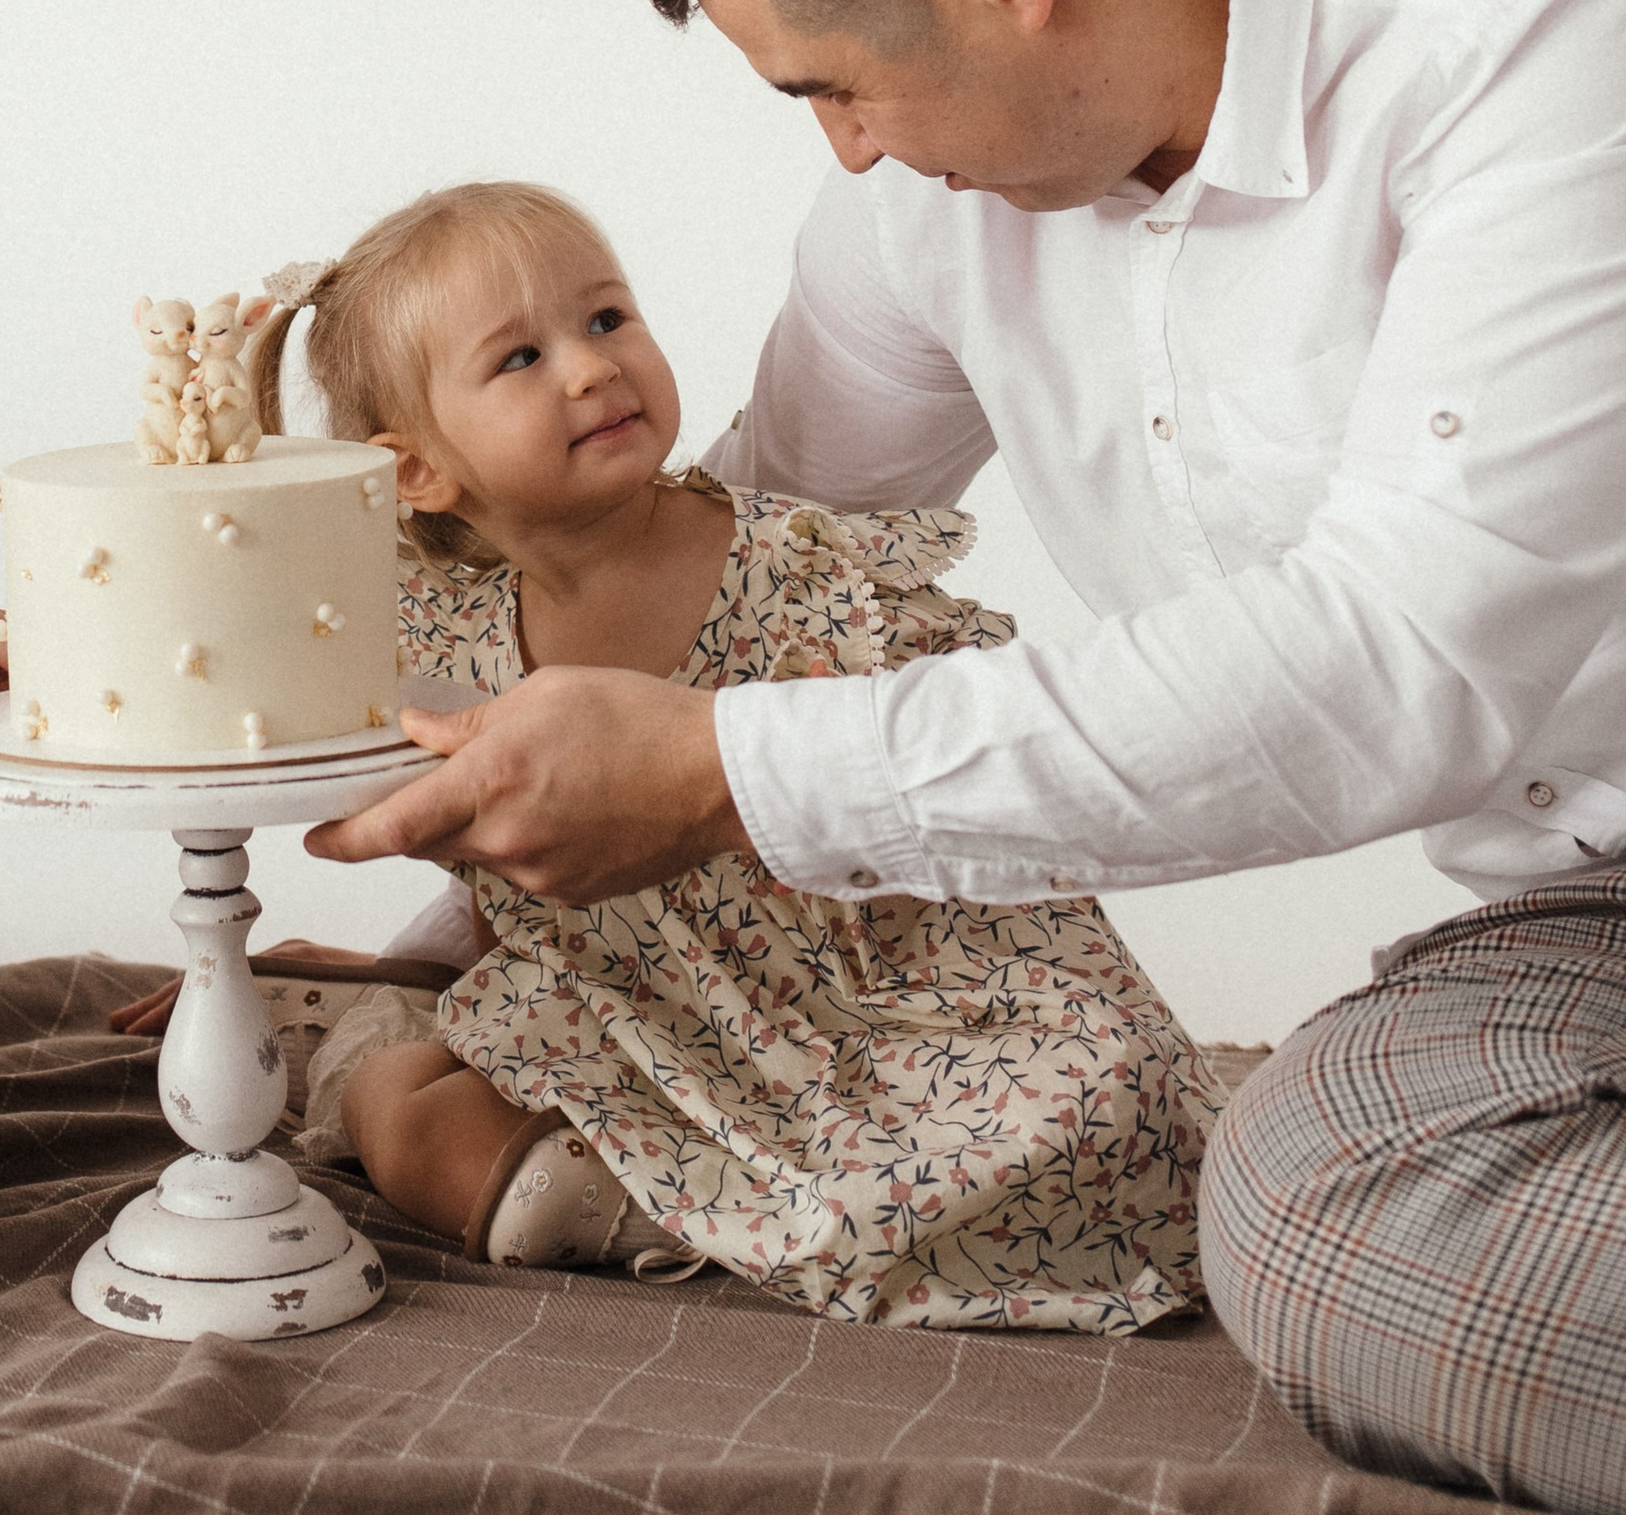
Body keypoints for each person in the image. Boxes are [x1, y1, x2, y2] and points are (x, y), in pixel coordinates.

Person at [313, 0, 1626, 1515]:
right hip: (1587, 910)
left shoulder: (1547, 17)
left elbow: (1402, 663)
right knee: (1311, 1201)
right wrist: (461, 919)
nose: (846, 153)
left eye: (832, 88)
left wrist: (724, 778)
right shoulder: (930, 214)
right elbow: (712, 592)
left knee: (1315, 1226)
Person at [125, 181, 1221, 1324]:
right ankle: (369, 1059)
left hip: (891, 1009)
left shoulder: (806, 570)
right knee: (468, 1158)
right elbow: (230, 654)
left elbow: (956, 802)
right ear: (415, 473)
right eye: (520, 358)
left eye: (606, 319)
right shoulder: (427, 634)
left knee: (1112, 1108)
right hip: (632, 1022)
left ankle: (736, 1196)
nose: (590, 368)